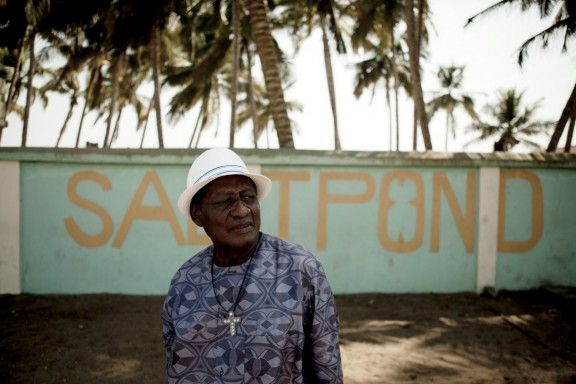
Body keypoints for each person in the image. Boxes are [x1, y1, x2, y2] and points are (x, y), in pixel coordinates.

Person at [162, 148, 343, 384]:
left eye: (248, 197)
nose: (242, 210)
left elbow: (327, 367)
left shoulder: (300, 269)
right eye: (225, 201)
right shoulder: (184, 282)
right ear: (198, 214)